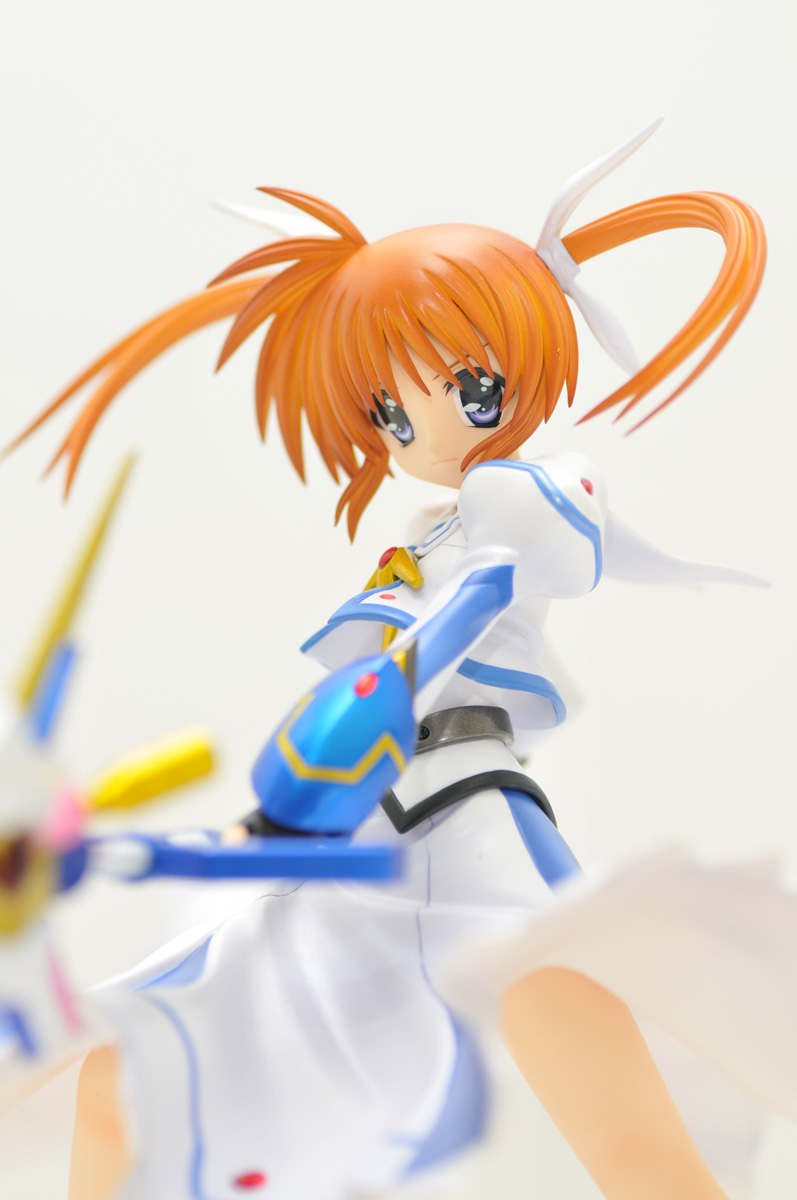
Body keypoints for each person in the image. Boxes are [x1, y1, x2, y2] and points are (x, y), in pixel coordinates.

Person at [9, 126, 781, 1200]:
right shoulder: (422, 538)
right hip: (358, 831)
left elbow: (531, 558)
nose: (418, 425)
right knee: (133, 1066)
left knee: (614, 1115)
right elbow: (359, 699)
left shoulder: (523, 497)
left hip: (467, 826)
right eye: (386, 408)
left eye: (463, 386)